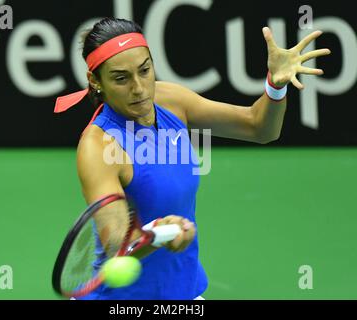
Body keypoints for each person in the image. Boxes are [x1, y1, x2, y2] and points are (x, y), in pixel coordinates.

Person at [54, 17, 330, 300]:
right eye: (121, 78)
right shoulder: (98, 146)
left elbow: (259, 128)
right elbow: (116, 244)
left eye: (145, 70)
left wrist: (275, 85)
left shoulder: (171, 101)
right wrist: (159, 234)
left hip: (185, 292)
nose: (138, 88)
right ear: (95, 81)